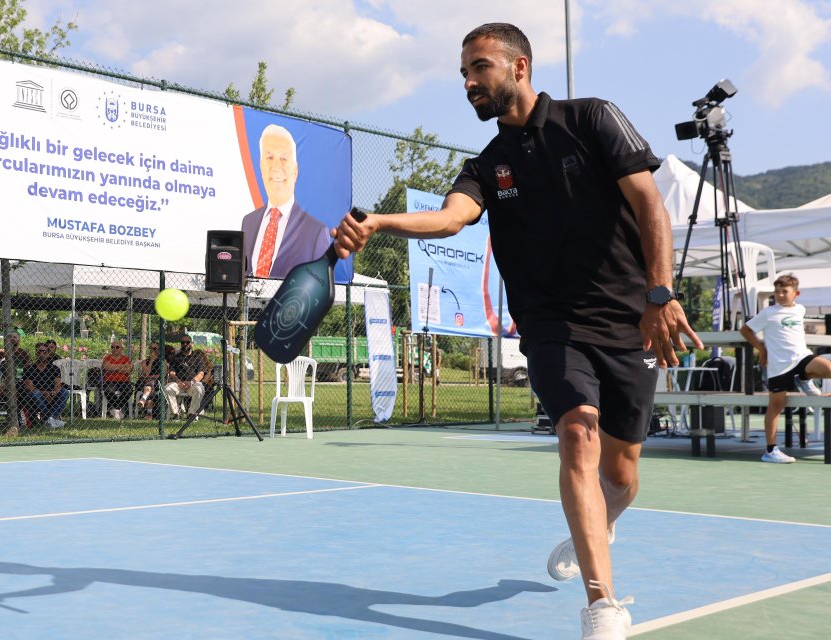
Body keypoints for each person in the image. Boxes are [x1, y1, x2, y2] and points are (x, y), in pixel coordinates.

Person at [330, 23, 701, 639]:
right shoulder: (486, 165)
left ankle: (597, 523)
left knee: (622, 477)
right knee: (577, 434)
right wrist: (379, 222)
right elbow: (452, 218)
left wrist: (660, 294)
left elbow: (649, 204)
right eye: (464, 73)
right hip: (551, 324)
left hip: (628, 318)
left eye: (479, 68)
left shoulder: (592, 119)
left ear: (519, 67)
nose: (469, 83)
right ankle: (602, 606)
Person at [740, 273, 829, 463]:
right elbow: (745, 330)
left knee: (828, 368)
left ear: (796, 293)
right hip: (779, 366)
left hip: (802, 357)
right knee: (776, 406)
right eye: (777, 291)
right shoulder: (768, 313)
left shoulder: (800, 310)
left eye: (784, 291)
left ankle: (804, 378)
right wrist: (761, 349)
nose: (780, 295)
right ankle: (771, 451)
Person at [240, 124, 332, 280]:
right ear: (261, 167)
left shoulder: (316, 233)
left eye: (283, 158)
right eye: (270, 158)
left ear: (295, 171)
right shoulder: (248, 222)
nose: (276, 166)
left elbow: (320, 284)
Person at [22, 343, 68, 428]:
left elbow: (58, 386)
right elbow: (30, 388)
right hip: (36, 396)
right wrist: (44, 393)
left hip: (51, 395)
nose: (42, 354)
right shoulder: (29, 368)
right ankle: (50, 419)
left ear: (48, 354)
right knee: (35, 393)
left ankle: (49, 420)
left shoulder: (54, 368)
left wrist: (53, 393)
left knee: (64, 392)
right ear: (36, 353)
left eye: (44, 352)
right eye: (39, 351)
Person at [164, 337, 206, 418]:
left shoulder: (197, 357)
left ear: (191, 344)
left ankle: (192, 414)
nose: (185, 344)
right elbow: (172, 373)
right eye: (183, 343)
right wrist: (178, 381)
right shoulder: (176, 357)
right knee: (168, 388)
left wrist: (191, 382)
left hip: (193, 384)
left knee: (200, 388)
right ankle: (175, 414)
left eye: (187, 342)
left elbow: (201, 374)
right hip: (179, 384)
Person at [100, 341, 134, 418]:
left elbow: (128, 370)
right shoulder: (107, 357)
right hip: (110, 381)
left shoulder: (125, 358)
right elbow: (107, 367)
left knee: (128, 391)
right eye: (112, 347)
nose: (114, 349)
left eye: (117, 347)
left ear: (121, 349)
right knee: (109, 391)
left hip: (124, 381)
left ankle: (116, 409)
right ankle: (117, 409)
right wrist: (122, 366)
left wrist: (113, 367)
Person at [135, 341, 166, 419]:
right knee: (149, 383)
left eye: (155, 348)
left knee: (151, 383)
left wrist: (151, 377)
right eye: (151, 348)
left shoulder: (163, 361)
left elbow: (163, 375)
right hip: (144, 382)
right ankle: (149, 413)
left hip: (157, 383)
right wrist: (151, 360)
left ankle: (144, 401)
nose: (152, 350)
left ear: (159, 350)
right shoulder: (144, 361)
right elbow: (147, 373)